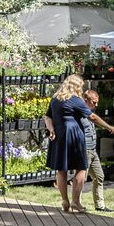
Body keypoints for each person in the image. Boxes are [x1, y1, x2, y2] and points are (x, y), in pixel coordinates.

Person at [44, 74, 93, 213]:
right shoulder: (76, 100)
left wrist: (52, 129)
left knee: (61, 169)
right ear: (76, 86)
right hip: (74, 135)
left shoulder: (55, 99)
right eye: (81, 86)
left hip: (59, 136)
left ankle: (65, 201)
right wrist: (108, 126)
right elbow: (91, 116)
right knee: (81, 167)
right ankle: (76, 202)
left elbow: (47, 116)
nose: (81, 89)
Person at [81, 88, 114, 211]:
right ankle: (77, 203)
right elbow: (94, 118)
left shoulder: (89, 110)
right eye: (94, 102)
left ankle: (100, 206)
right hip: (84, 150)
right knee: (81, 179)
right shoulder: (81, 110)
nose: (96, 105)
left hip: (92, 150)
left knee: (99, 176)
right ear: (86, 100)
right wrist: (109, 127)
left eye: (97, 102)